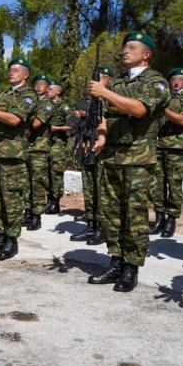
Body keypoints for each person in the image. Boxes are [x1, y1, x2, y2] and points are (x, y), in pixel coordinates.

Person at [86, 32, 169, 292]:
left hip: (137, 157)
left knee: (133, 215)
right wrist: (101, 135)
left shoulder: (156, 81)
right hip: (112, 155)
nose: (125, 51)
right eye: (124, 47)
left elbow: (139, 109)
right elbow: (106, 116)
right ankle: (115, 261)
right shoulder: (119, 82)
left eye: (132, 47)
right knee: (111, 213)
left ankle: (131, 268)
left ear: (146, 54)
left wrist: (103, 91)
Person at [0, 58, 38, 260]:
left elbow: (14, 119)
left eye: (15, 70)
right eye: (10, 70)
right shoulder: (4, 94)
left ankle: (12, 240)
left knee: (11, 198)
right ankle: (1, 235)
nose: (10, 73)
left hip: (13, 155)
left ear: (25, 74)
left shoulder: (28, 96)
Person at [70, 66, 114, 245]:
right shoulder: (88, 100)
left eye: (102, 77)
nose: (98, 80)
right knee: (89, 188)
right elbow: (82, 124)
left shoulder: (111, 99)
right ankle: (91, 224)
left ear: (109, 80)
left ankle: (102, 228)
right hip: (88, 146)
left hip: (104, 149)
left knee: (101, 189)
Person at [149, 68, 183, 238]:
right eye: (173, 79)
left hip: (176, 147)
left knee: (174, 186)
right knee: (157, 185)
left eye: (179, 79)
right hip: (159, 146)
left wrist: (164, 108)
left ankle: (171, 220)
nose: (176, 82)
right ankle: (159, 218)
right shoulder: (162, 98)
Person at [23, 73, 55, 230]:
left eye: (42, 84)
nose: (38, 86)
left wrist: (20, 118)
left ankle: (36, 215)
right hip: (25, 147)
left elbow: (36, 123)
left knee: (37, 183)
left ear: (48, 88)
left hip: (39, 149)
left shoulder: (48, 104)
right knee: (25, 182)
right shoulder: (30, 102)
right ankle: (27, 212)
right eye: (36, 83)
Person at [46, 81, 72, 214]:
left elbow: (72, 124)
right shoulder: (45, 105)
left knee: (56, 173)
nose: (47, 91)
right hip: (46, 142)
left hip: (58, 144)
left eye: (50, 89)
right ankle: (48, 200)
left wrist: (57, 128)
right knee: (46, 172)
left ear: (57, 92)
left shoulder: (64, 107)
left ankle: (55, 202)